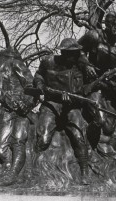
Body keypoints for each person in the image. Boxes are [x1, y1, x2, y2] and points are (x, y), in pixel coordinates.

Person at [33, 38, 91, 184]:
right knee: (43, 138)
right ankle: (34, 169)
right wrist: (39, 84)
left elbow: (81, 92)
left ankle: (84, 172)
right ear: (63, 53)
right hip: (51, 103)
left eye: (76, 53)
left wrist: (71, 98)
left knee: (79, 136)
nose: (74, 57)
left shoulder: (79, 68)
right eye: (71, 54)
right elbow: (39, 74)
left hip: (71, 106)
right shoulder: (48, 62)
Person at [79, 12, 116, 138]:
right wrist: (86, 64)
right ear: (106, 25)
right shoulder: (94, 36)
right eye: (113, 24)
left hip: (111, 89)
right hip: (93, 84)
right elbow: (78, 50)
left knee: (109, 129)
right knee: (99, 120)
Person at [0, 48, 34, 184]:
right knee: (1, 145)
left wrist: (26, 103)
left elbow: (31, 85)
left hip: (22, 109)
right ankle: (6, 170)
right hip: (7, 110)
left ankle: (13, 175)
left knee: (18, 140)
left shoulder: (15, 64)